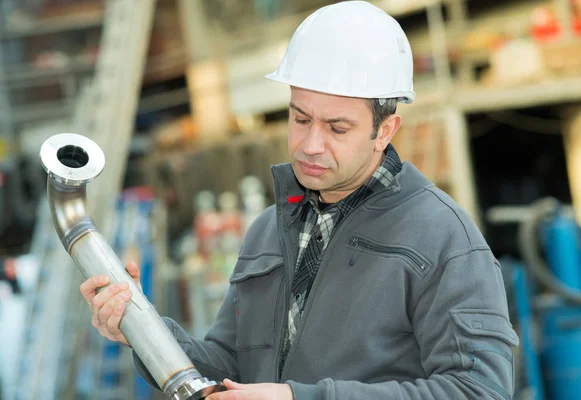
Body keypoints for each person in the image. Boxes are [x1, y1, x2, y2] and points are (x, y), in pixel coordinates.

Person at [80, 2, 519, 399]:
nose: (310, 144)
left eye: (337, 128)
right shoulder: (269, 229)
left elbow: (479, 391)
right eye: (300, 118)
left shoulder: (442, 237)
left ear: (384, 131)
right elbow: (227, 367)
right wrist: (141, 327)